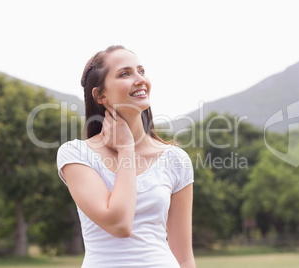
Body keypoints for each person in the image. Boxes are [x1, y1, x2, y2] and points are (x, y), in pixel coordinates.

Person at [56, 45, 196, 268]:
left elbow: (184, 257)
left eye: (141, 71)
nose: (140, 79)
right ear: (100, 95)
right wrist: (126, 149)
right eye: (125, 73)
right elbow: (119, 224)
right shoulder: (76, 154)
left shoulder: (176, 159)